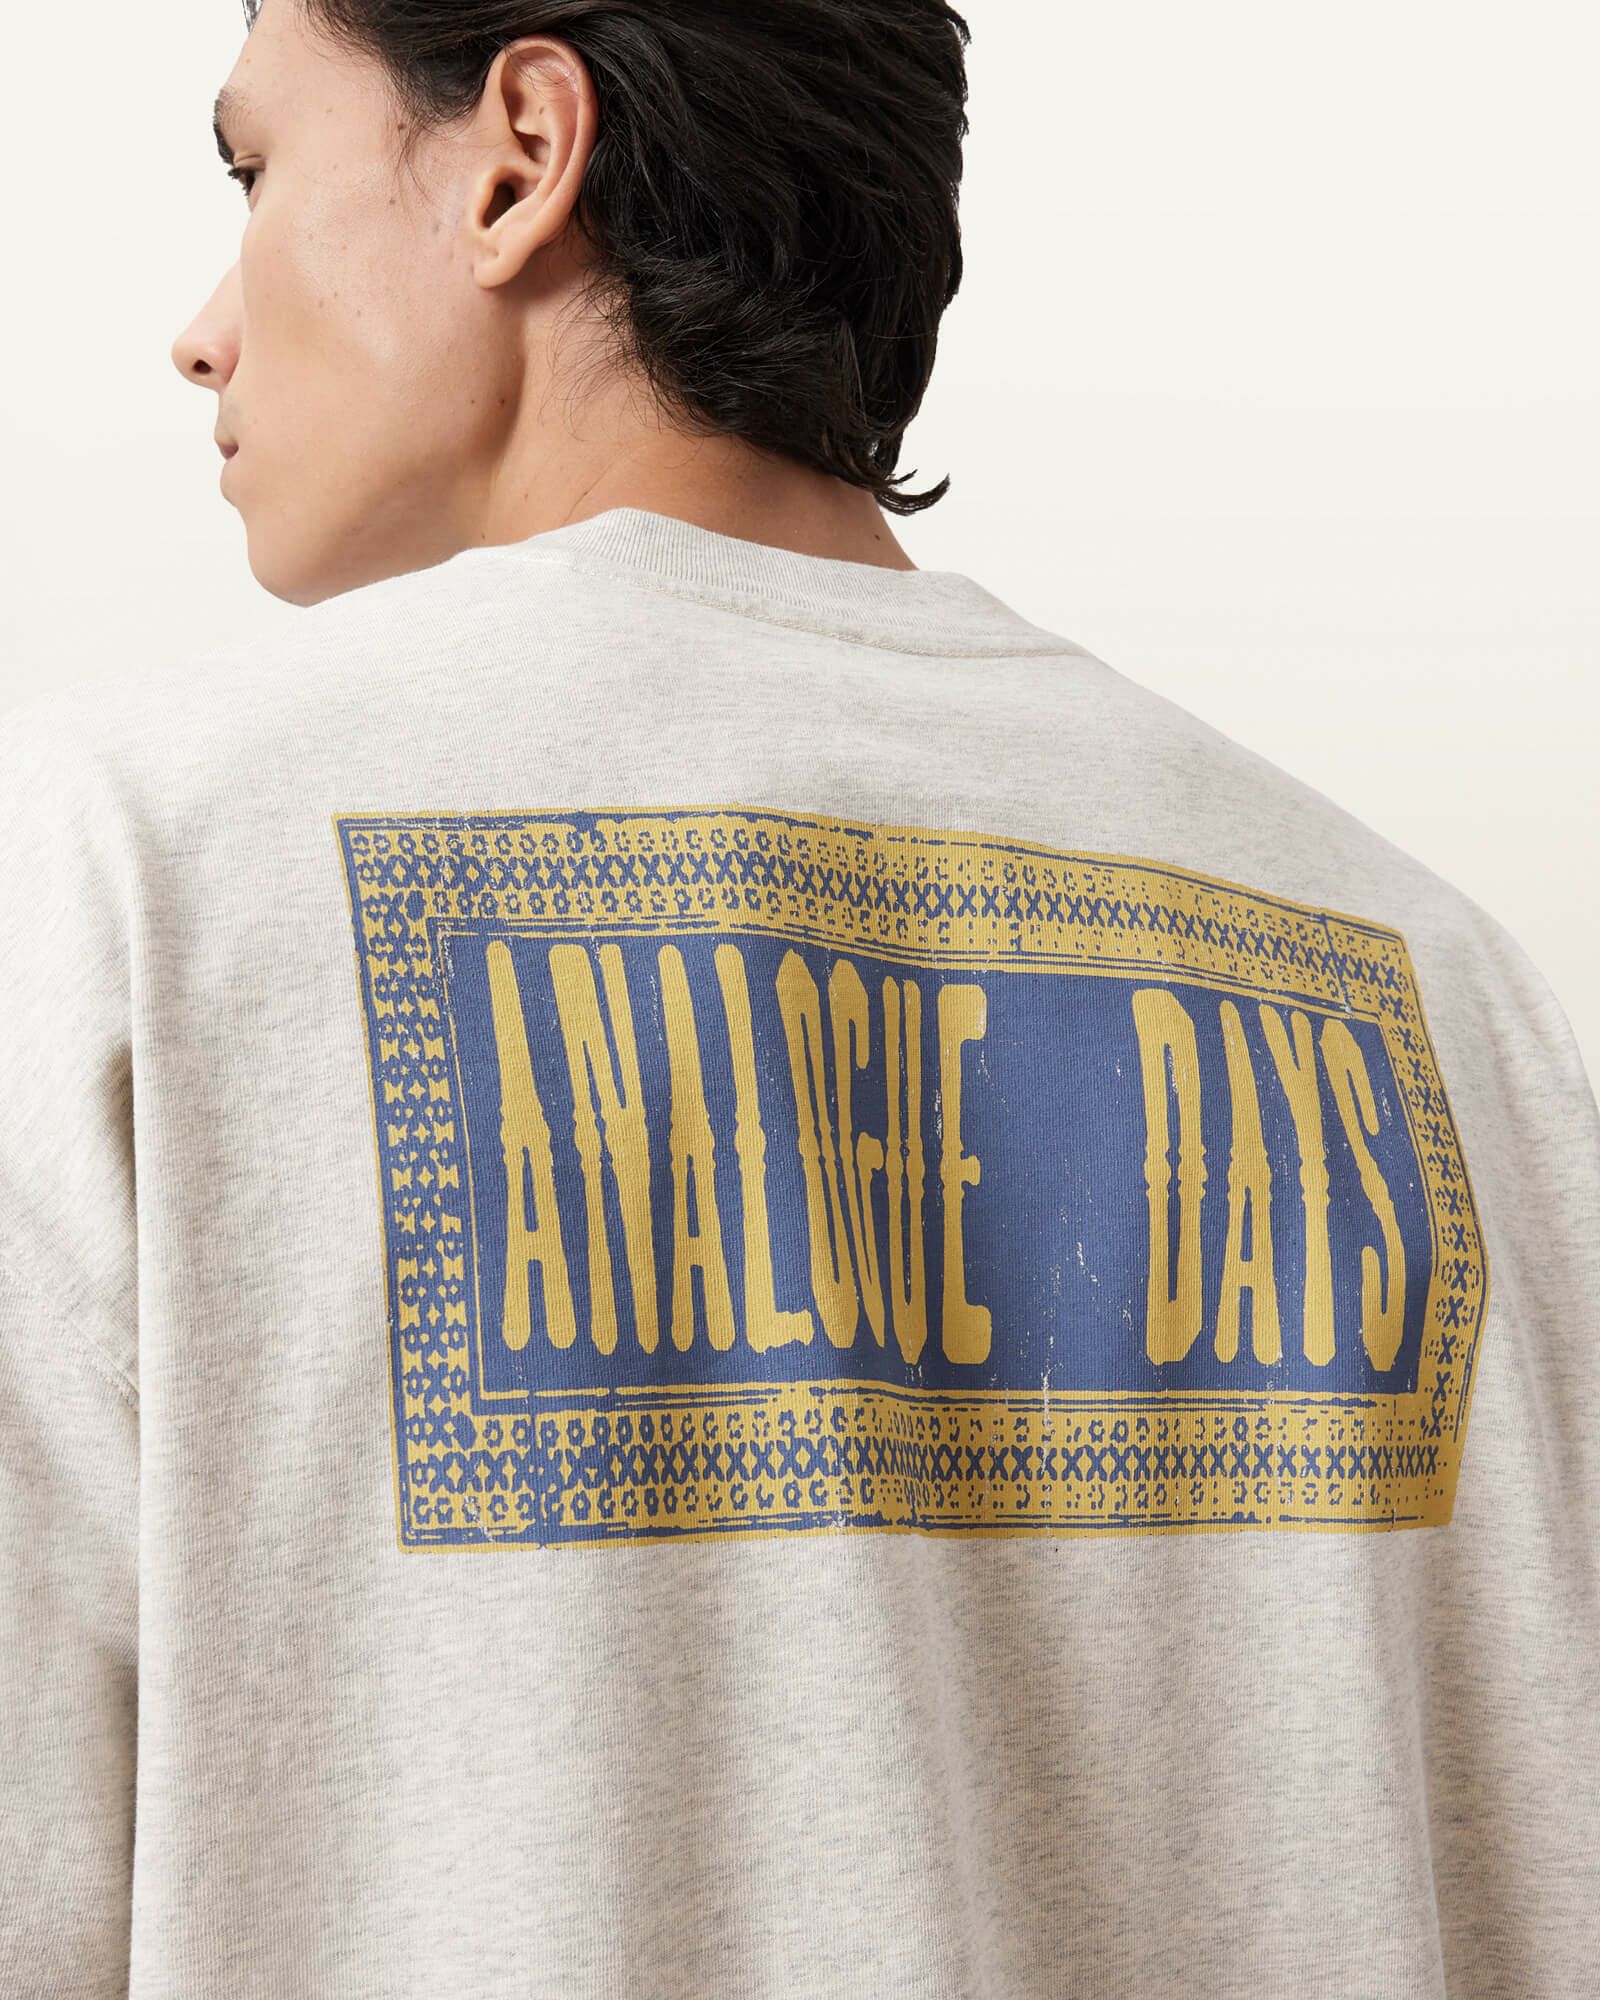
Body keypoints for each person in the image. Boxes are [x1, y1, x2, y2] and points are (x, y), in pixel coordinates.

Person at [2, 0, 1596, 1994]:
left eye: (257, 169)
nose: (202, 331)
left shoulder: (135, 870)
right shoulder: (1431, 987)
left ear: (520, 155)